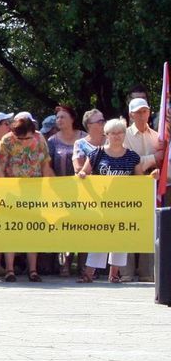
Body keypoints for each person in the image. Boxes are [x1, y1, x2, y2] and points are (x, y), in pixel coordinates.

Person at [77, 118, 156, 283]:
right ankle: (89, 274)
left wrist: (151, 178)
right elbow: (84, 173)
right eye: (113, 133)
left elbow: (139, 180)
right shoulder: (96, 153)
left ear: (124, 134)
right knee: (99, 239)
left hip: (123, 205)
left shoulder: (132, 156)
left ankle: (114, 275)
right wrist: (83, 175)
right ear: (107, 135)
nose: (116, 136)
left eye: (120, 132)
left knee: (121, 238)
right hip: (101, 205)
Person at [0, 112, 53, 283]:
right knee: (11, 228)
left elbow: (45, 164)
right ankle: (9, 269)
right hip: (12, 191)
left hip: (34, 190)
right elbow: (0, 166)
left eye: (27, 138)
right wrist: (2, 188)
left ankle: (33, 270)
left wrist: (47, 187)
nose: (24, 141)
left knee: (32, 229)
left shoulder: (40, 139)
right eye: (20, 138)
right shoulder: (6, 140)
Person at [122, 98, 161, 282]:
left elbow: (160, 162)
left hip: (149, 188)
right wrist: (154, 157)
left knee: (149, 227)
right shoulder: (123, 135)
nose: (142, 115)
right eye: (138, 112)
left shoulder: (156, 136)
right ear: (131, 114)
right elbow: (129, 160)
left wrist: (154, 162)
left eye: (144, 111)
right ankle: (126, 272)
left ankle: (147, 272)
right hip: (128, 186)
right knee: (126, 228)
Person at [46, 104, 85, 277]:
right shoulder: (52, 141)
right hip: (59, 190)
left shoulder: (83, 138)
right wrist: (58, 185)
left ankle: (84, 265)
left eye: (63, 117)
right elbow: (47, 165)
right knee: (62, 227)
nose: (59, 120)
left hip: (82, 190)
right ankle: (64, 264)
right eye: (58, 117)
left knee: (81, 226)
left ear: (72, 119)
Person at [72, 109, 106, 175]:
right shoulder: (80, 144)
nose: (103, 124)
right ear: (89, 125)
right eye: (100, 122)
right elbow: (78, 168)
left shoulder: (111, 140)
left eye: (103, 121)